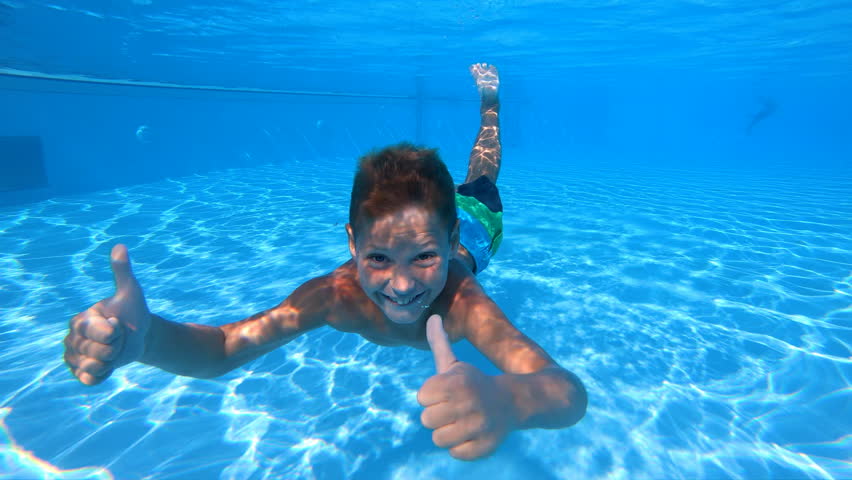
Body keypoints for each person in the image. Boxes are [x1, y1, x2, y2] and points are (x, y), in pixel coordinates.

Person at [63, 63, 587, 461]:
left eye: (425, 257)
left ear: (447, 245)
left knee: (483, 175)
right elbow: (223, 348)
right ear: (352, 245)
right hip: (442, 220)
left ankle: (489, 107)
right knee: (432, 202)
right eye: (379, 257)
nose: (402, 285)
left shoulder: (462, 302)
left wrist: (513, 401)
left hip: (477, 224)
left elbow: (566, 391)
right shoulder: (334, 296)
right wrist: (148, 339)